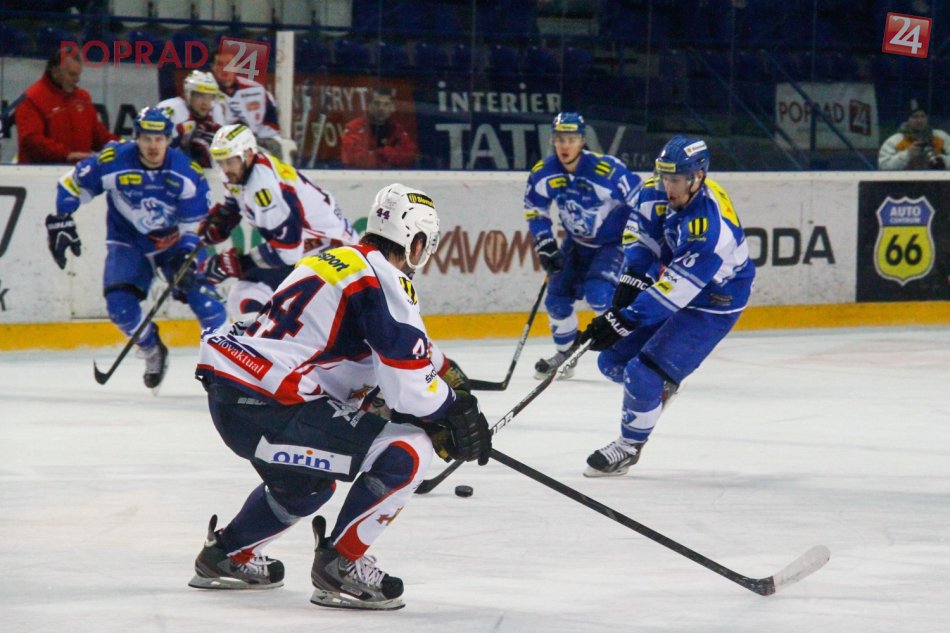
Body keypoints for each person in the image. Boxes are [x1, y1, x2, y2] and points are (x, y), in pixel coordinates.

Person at [187, 183, 492, 610]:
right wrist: (453, 409)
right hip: (275, 406)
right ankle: (341, 566)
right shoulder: (384, 279)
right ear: (417, 242)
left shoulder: (335, 260)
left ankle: (226, 555)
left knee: (306, 487)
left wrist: (440, 374)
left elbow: (364, 354)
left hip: (236, 399)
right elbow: (409, 388)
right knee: (408, 449)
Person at [577, 136, 755, 477]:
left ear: (698, 177)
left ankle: (629, 447)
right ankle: (661, 386)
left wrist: (624, 319)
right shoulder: (653, 191)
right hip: (675, 284)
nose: (668, 187)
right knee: (611, 361)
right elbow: (640, 237)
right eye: (665, 177)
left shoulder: (710, 228)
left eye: (677, 180)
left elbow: (676, 291)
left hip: (714, 301)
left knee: (641, 373)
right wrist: (630, 282)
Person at [47, 107, 227, 390]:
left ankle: (226, 366)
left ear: (168, 139)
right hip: (128, 241)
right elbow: (71, 184)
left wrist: (187, 255)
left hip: (175, 243)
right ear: (137, 138)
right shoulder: (114, 159)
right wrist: (62, 217)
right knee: (120, 307)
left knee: (206, 302)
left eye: (159, 139)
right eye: (146, 139)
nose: (153, 146)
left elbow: (196, 223)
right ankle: (152, 348)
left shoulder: (186, 171)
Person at [524, 112, 642, 380]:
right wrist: (545, 243)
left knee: (600, 293)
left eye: (571, 139)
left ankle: (629, 353)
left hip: (613, 244)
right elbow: (534, 208)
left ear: (582, 141)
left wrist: (640, 241)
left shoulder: (607, 170)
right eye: (560, 139)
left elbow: (642, 201)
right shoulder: (544, 172)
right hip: (576, 244)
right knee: (556, 300)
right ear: (553, 141)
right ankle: (566, 354)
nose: (565, 146)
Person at [200, 123, 359, 321]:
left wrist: (240, 263)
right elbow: (234, 200)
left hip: (333, 254)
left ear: (248, 154)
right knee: (247, 292)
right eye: (220, 162)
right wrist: (221, 220)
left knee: (247, 293)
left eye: (229, 162)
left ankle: (262, 340)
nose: (225, 169)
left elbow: (289, 251)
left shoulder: (263, 189)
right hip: (320, 247)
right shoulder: (245, 168)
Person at [15, 45, 118, 164]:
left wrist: (123, 147)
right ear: (55, 72)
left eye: (78, 74)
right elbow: (31, 140)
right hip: (42, 172)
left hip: (78, 170)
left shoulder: (82, 98)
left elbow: (98, 135)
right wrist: (67, 155)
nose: (77, 79)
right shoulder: (32, 99)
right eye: (72, 74)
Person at [212, 49, 297, 162]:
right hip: (220, 147)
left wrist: (252, 139)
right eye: (220, 64)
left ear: (237, 66)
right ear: (213, 67)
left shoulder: (257, 90)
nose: (225, 69)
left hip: (256, 143)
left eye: (229, 64)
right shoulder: (205, 91)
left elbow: (272, 126)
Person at [155, 70, 225, 167]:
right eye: (200, 96)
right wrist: (178, 139)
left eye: (210, 97)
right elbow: (156, 147)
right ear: (188, 95)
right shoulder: (171, 109)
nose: (205, 103)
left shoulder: (216, 110)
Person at [341, 87, 418, 169]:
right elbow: (352, 158)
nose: (381, 108)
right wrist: (390, 156)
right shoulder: (354, 127)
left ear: (392, 107)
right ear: (368, 105)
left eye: (386, 104)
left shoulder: (396, 129)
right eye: (377, 103)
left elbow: (410, 155)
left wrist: (382, 152)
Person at [878, 98, 950, 170]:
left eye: (922, 116)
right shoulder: (894, 141)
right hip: (906, 177)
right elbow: (883, 166)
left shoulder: (941, 137)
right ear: (907, 119)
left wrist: (942, 160)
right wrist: (908, 154)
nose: (919, 120)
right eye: (915, 117)